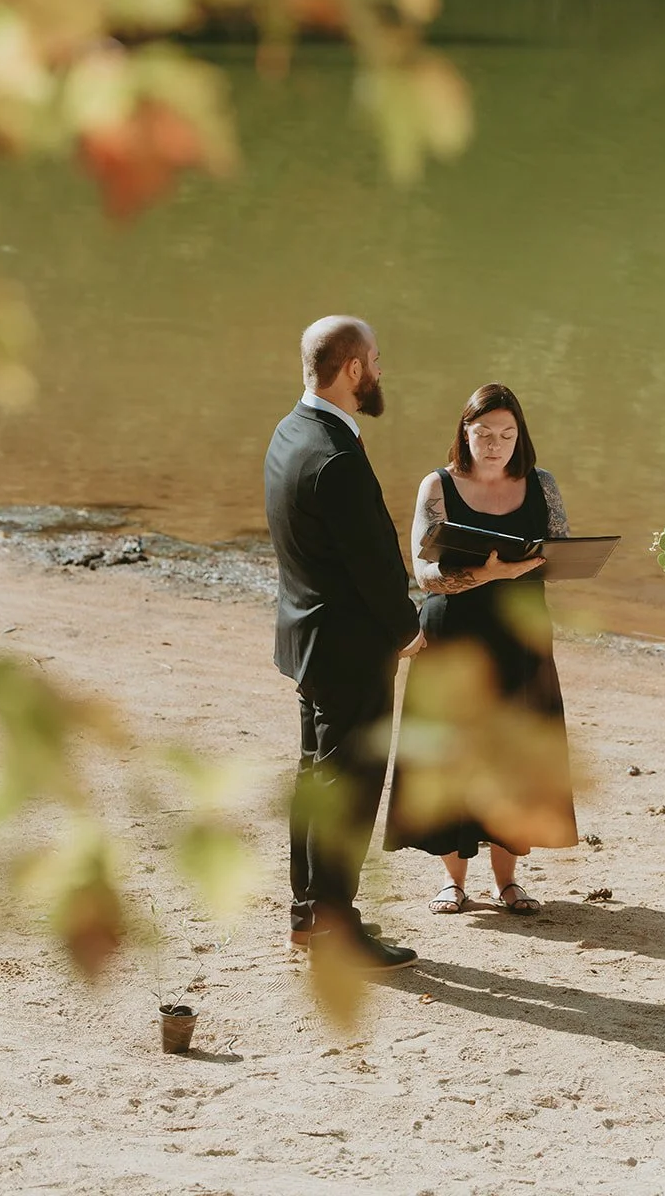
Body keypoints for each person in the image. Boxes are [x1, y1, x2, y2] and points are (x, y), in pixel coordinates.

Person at [264, 315, 425, 970]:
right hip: (352, 649)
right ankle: (334, 925)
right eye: (377, 361)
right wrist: (409, 632)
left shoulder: (290, 432)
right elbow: (372, 561)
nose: (381, 372)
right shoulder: (334, 455)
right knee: (350, 790)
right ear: (354, 368)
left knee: (317, 781)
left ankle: (309, 916)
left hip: (309, 636)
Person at [384, 383, 578, 914]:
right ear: (464, 433)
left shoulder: (542, 484)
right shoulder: (438, 486)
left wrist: (550, 563)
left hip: (521, 633)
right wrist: (486, 573)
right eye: (484, 433)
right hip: (453, 635)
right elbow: (424, 575)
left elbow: (560, 555)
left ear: (521, 436)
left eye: (507, 434)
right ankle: (453, 880)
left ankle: (507, 880)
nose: (495, 444)